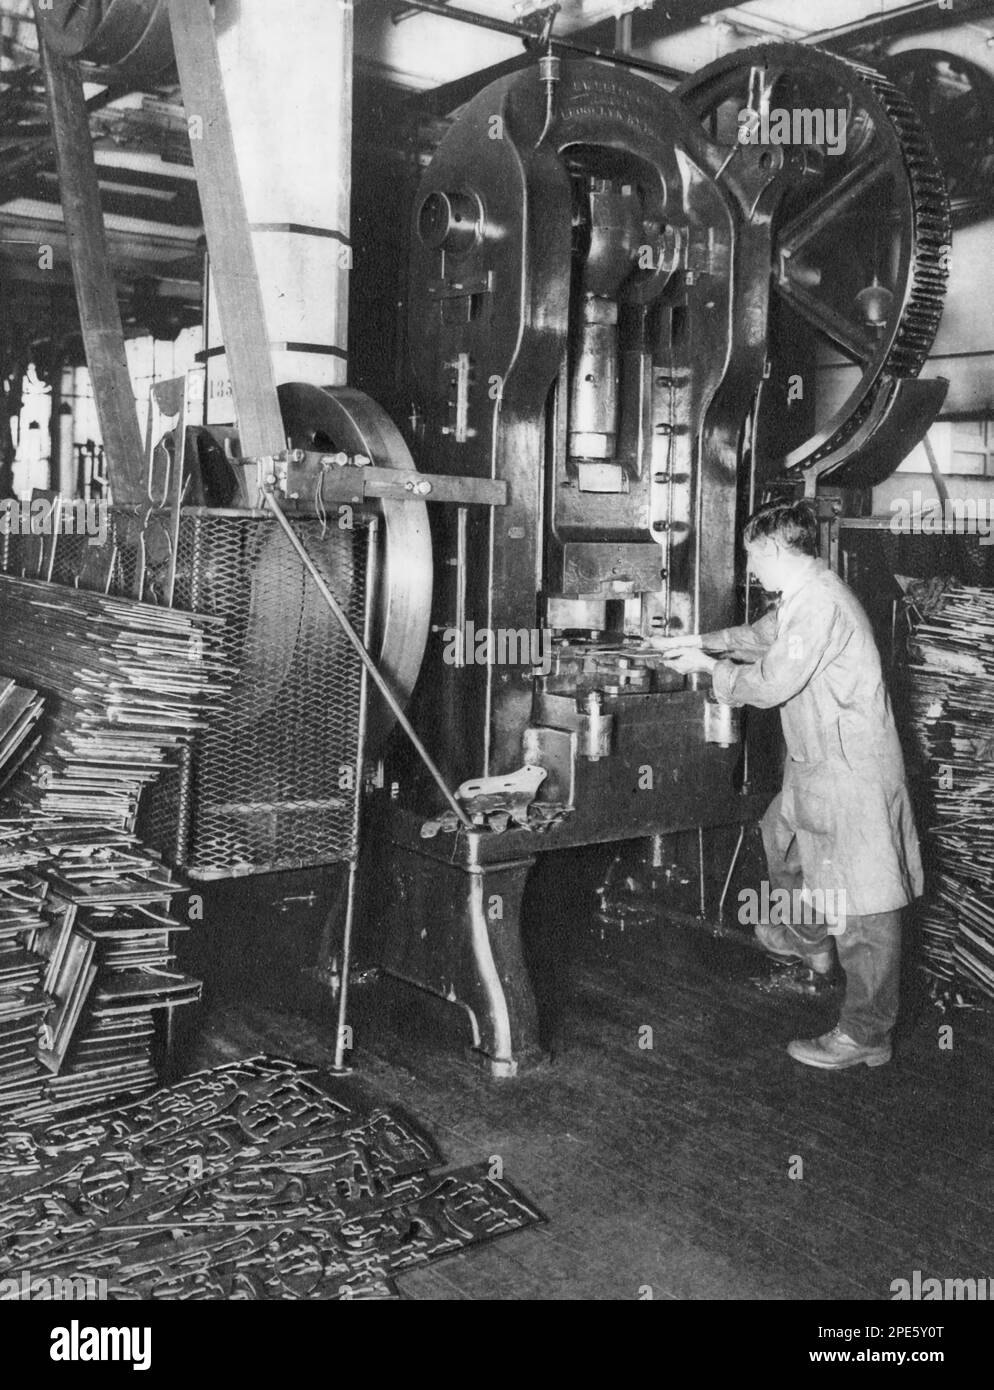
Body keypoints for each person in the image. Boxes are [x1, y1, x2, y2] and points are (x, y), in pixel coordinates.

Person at [651, 500, 923, 1070]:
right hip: (816, 764)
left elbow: (773, 681)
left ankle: (866, 1033)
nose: (751, 570)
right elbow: (762, 636)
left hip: (851, 773)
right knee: (783, 838)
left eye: (753, 557)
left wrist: (706, 669)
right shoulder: (802, 596)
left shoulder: (821, 602)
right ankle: (811, 941)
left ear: (776, 550)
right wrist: (699, 643)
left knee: (866, 901)